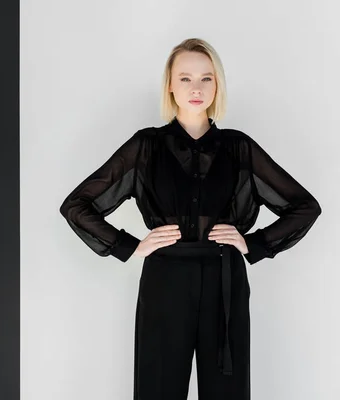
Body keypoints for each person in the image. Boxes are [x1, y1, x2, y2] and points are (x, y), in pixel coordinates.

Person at [59, 38, 321, 400]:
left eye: (206, 78)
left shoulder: (238, 148)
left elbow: (304, 206)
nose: (196, 88)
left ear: (218, 84)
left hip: (223, 281)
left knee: (226, 391)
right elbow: (77, 205)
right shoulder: (146, 147)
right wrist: (130, 246)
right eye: (185, 78)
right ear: (169, 83)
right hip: (165, 280)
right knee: (158, 390)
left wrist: (254, 243)